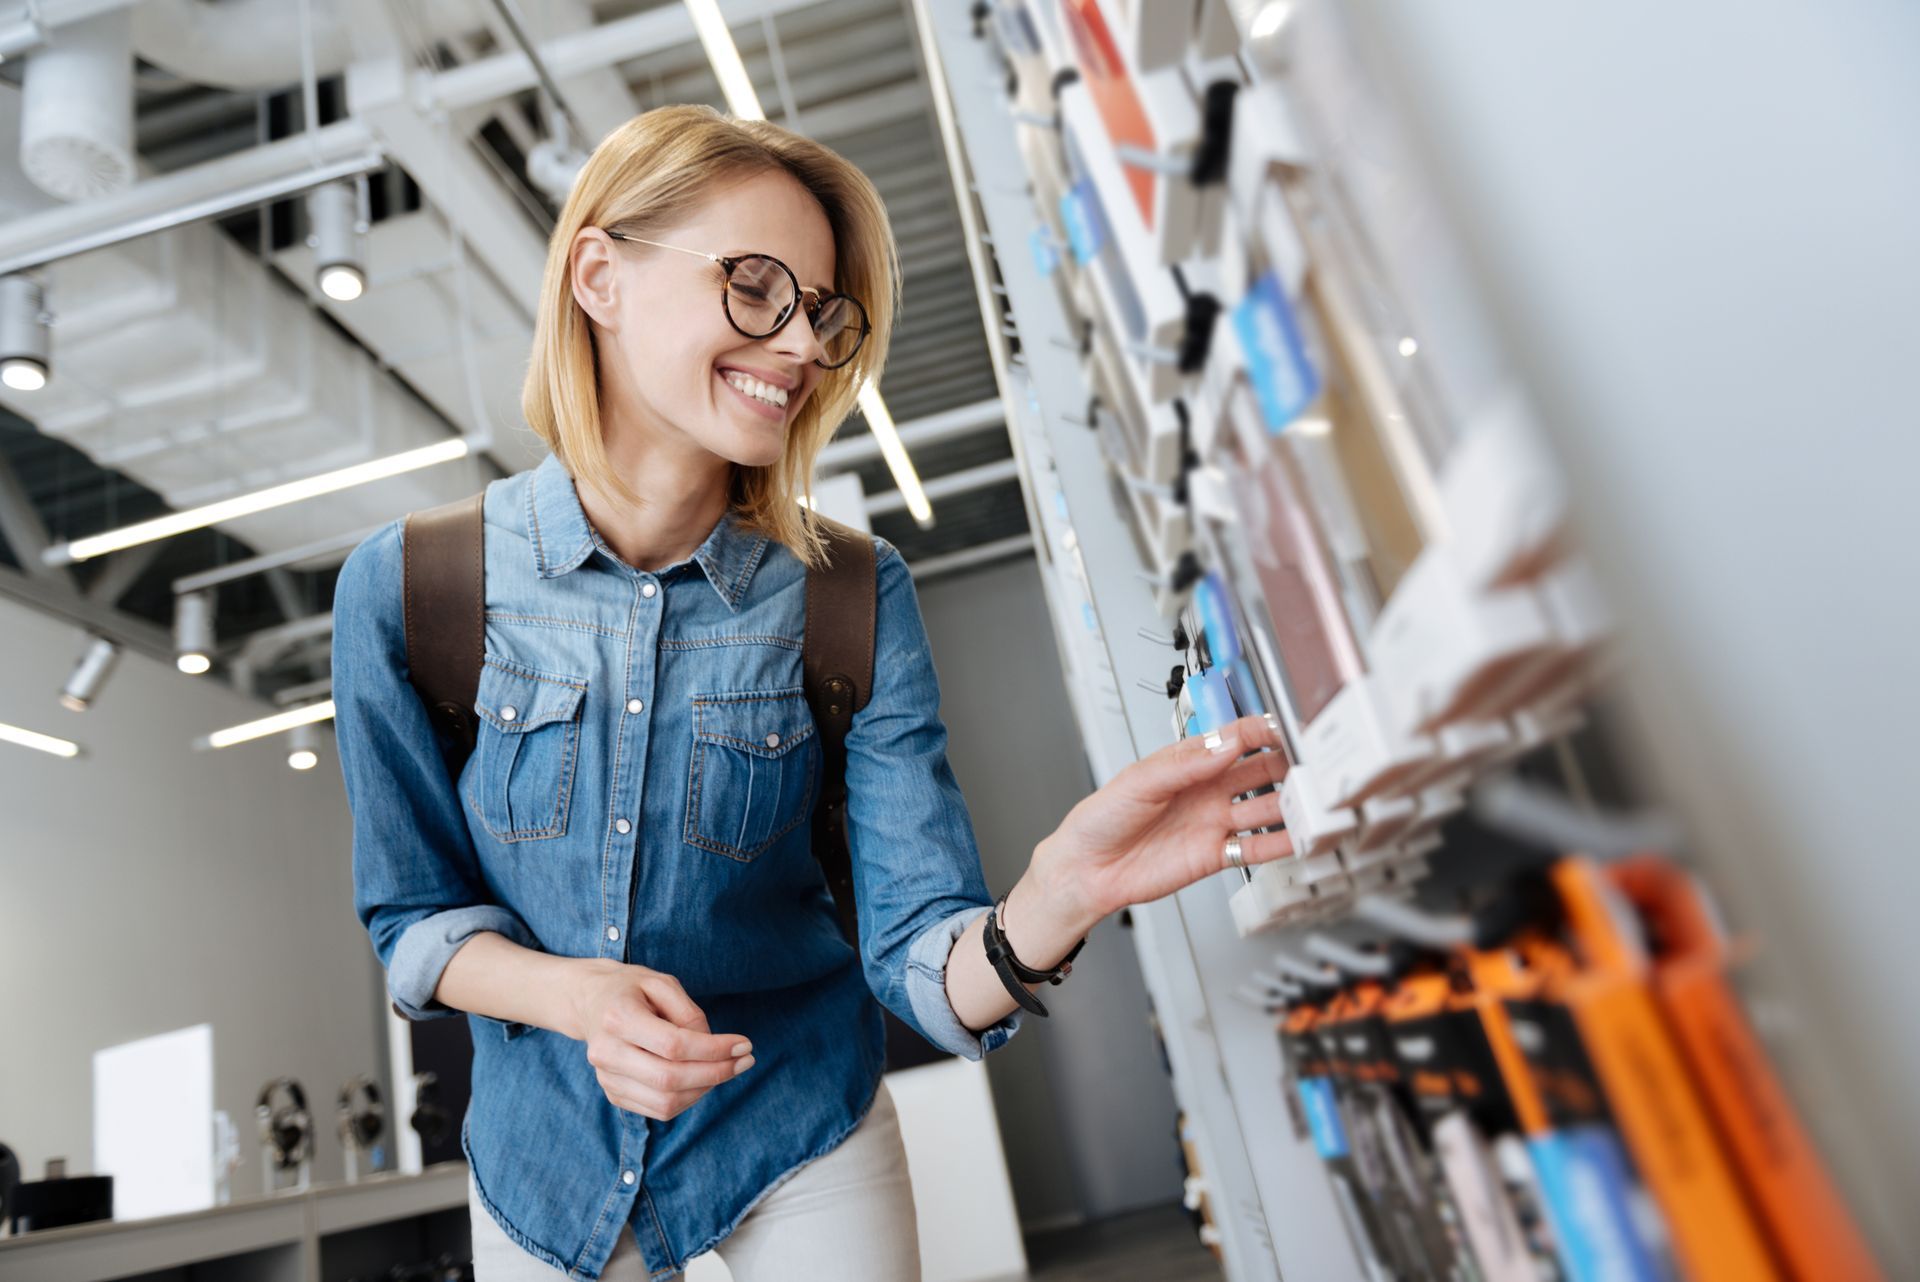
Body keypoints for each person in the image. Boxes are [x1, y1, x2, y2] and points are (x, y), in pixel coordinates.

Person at [331, 104, 1292, 1282]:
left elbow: (918, 952)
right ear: (599, 276)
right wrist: (574, 998)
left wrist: (1055, 897)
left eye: (821, 313)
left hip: (797, 1125)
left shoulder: (849, 592)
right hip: (546, 1156)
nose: (796, 346)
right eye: (753, 287)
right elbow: (413, 920)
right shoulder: (414, 585)